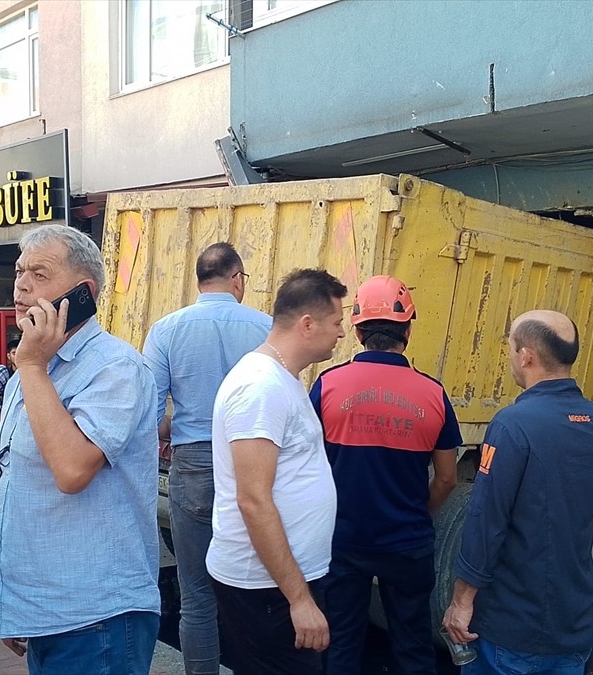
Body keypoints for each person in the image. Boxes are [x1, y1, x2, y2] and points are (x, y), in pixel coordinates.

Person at [0, 224, 160, 674]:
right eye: (19, 271)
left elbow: (71, 470)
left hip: (97, 616)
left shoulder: (115, 367)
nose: (21, 286)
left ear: (83, 292)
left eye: (40, 274)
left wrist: (30, 366)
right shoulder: (33, 370)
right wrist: (16, 601)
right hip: (46, 607)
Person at [443, 310, 593, 674]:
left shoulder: (512, 424)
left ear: (526, 355)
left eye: (510, 349)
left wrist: (462, 601)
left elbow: (486, 519)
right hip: (573, 626)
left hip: (511, 629)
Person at [311, 275, 461, 675]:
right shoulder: (433, 394)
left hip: (342, 539)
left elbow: (307, 464)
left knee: (341, 645)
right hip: (407, 541)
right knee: (412, 647)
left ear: (358, 331)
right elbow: (447, 478)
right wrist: (417, 513)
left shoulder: (327, 386)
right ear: (407, 331)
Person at [206, 268, 346, 674]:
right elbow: (253, 500)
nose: (341, 333)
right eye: (336, 322)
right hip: (267, 588)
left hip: (279, 582)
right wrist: (299, 600)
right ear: (308, 324)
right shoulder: (260, 387)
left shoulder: (281, 379)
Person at [141, 242, 271, 675]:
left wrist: (172, 427)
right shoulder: (267, 328)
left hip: (194, 464)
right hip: (253, 463)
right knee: (255, 590)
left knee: (197, 595)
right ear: (236, 280)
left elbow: (149, 415)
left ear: (200, 281)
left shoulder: (166, 330)